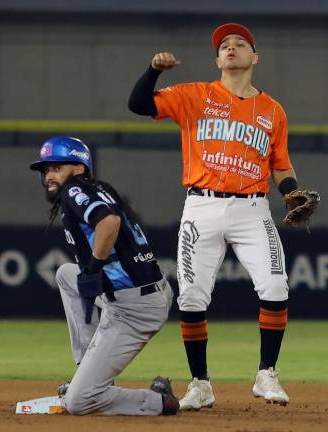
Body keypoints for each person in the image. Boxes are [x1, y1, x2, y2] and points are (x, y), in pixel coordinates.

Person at [128, 23, 298, 409]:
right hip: (201, 205)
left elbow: (281, 167)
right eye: (224, 45)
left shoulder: (272, 111)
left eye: (240, 44)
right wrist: (153, 70)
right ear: (217, 59)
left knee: (275, 286)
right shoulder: (195, 96)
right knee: (190, 295)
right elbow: (139, 105)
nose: (231, 48)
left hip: (252, 207)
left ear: (254, 57)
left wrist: (291, 194)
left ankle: (267, 374)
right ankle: (200, 384)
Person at [29, 135, 178, 416]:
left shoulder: (74, 190)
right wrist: (91, 272)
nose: (49, 174)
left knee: (79, 402)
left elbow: (109, 221)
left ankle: (159, 401)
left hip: (134, 307)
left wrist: (95, 267)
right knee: (66, 275)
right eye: (45, 169)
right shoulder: (93, 188)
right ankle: (88, 369)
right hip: (137, 292)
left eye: (57, 167)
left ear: (79, 167)